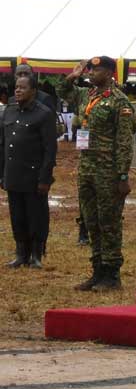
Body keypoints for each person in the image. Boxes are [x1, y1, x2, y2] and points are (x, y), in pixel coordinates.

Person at [58, 56, 134, 291]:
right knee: (91, 221)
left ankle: (111, 274)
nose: (91, 73)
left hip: (108, 171)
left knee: (109, 222)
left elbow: (124, 141)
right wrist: (73, 76)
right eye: (90, 70)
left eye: (97, 70)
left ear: (110, 73)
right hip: (87, 169)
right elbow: (62, 91)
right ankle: (97, 271)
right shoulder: (86, 95)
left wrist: (123, 175)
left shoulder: (119, 101)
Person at [0, 75, 57, 269]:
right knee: (17, 215)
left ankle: (36, 254)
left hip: (34, 175)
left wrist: (45, 178)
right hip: (13, 173)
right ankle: (20, 253)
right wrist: (2, 174)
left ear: (33, 91)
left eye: (23, 87)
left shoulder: (43, 114)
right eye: (16, 87)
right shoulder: (9, 111)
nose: (18, 90)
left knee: (36, 216)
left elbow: (50, 149)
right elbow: (3, 145)